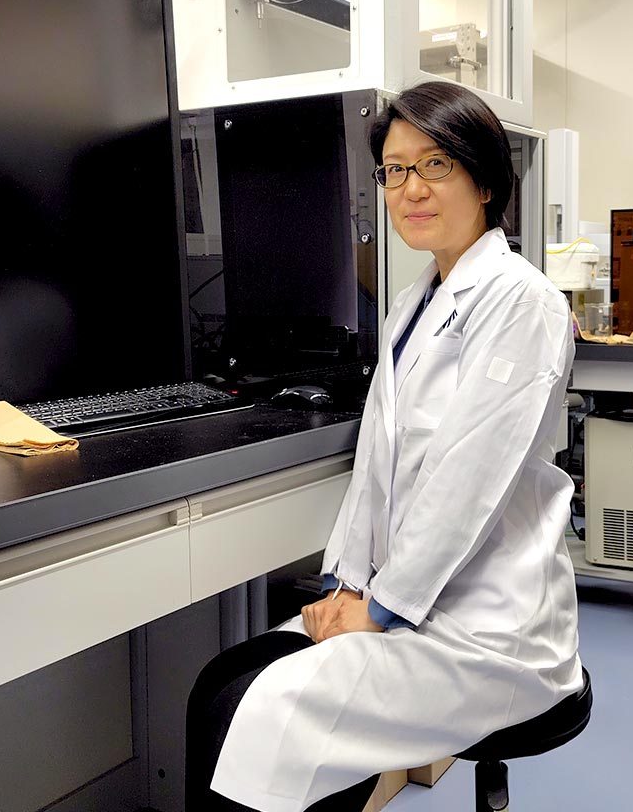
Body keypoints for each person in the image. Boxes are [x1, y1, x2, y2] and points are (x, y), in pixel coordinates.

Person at [185, 80, 583, 812]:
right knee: (218, 686)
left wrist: (380, 609)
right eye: (394, 170)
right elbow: (375, 467)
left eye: (435, 165)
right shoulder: (409, 305)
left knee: (250, 717)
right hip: (404, 601)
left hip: (486, 628)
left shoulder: (524, 302)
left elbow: (468, 484)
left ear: (485, 181)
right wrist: (345, 586)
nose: (410, 188)